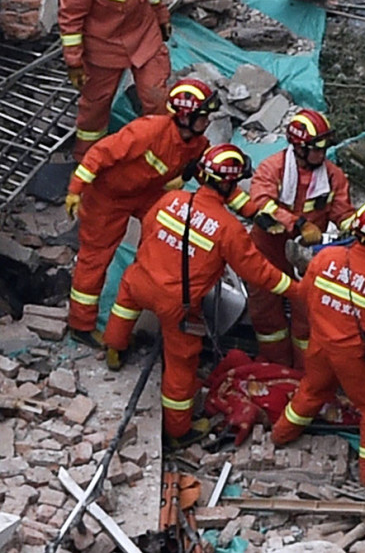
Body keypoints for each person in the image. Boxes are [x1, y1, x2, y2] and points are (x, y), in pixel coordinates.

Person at [102, 144, 300, 442]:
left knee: (124, 309)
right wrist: (296, 289)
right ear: (228, 184)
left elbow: (148, 229)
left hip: (139, 279)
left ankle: (114, 350)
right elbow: (257, 272)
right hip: (177, 304)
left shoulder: (171, 199)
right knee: (182, 364)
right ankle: (179, 431)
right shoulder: (228, 229)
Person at [64, 78, 219, 357]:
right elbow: (99, 154)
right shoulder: (149, 131)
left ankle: (155, 294)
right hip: (108, 197)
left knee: (165, 240)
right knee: (95, 258)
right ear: (185, 117)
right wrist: (76, 189)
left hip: (147, 194)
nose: (207, 122)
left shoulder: (196, 143)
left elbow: (211, 171)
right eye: (203, 116)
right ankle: (81, 325)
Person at [271, 200, 365, 488]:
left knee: (312, 389)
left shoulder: (324, 258)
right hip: (354, 357)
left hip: (319, 345)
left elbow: (306, 294)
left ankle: (281, 434)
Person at [58, 0, 173, 161]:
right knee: (95, 108)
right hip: (103, 50)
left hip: (144, 37)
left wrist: (162, 17)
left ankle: (163, 150)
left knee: (156, 96)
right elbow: (70, 22)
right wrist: (74, 62)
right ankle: (87, 159)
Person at [248, 109, 355, 368]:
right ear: (298, 148)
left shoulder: (332, 176)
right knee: (266, 316)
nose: (322, 154)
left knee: (307, 318)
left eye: (324, 148)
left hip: (306, 259)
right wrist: (298, 223)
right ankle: (276, 370)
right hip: (268, 252)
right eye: (316, 149)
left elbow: (344, 213)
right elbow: (260, 203)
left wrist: (357, 229)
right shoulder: (273, 168)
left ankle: (306, 377)